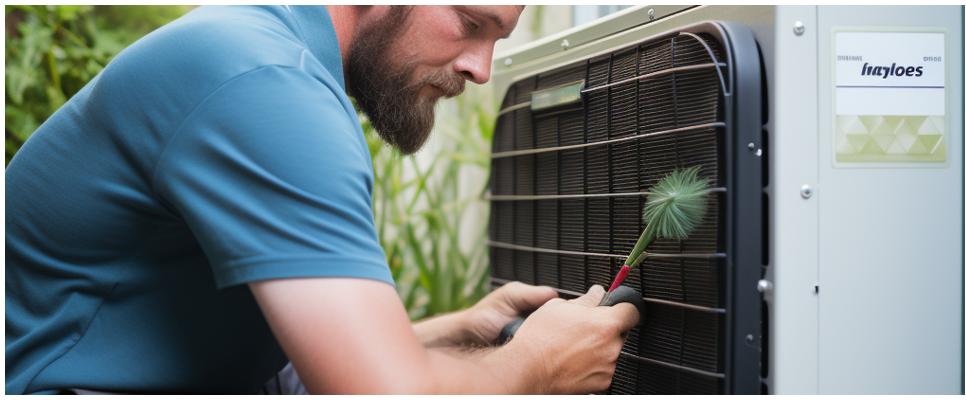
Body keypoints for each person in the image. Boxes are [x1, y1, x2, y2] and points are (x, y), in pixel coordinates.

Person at [5, 5, 639, 394]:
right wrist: (535, 365)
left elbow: (296, 361)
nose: (481, 68)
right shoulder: (265, 84)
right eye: (471, 24)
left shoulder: (270, 54)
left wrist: (456, 331)